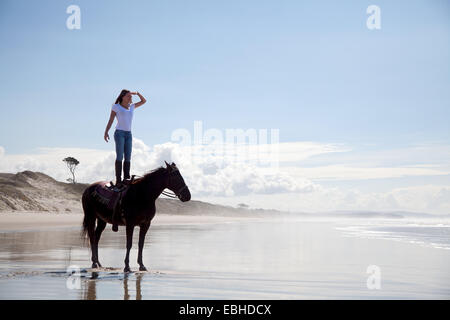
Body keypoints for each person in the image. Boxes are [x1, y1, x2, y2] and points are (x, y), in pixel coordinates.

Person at [104, 90, 147, 186]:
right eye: (128, 96)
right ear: (122, 97)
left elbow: (144, 101)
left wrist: (137, 93)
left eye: (130, 97)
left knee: (128, 157)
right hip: (119, 133)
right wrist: (106, 131)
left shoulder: (131, 107)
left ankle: (126, 178)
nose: (130, 98)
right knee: (120, 156)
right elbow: (111, 120)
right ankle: (118, 180)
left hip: (129, 134)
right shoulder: (116, 107)